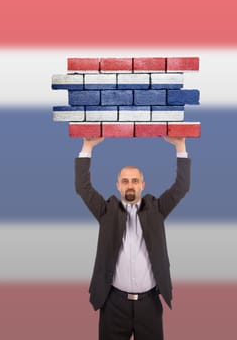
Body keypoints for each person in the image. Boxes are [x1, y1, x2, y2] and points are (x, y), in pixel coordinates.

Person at [75, 137, 191, 340]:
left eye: (135, 181)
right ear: (118, 185)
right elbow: (82, 188)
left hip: (150, 305)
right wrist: (88, 146)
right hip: (113, 304)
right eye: (126, 181)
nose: (130, 185)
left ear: (142, 185)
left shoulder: (157, 208)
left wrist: (180, 146)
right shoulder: (106, 210)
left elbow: (181, 187)